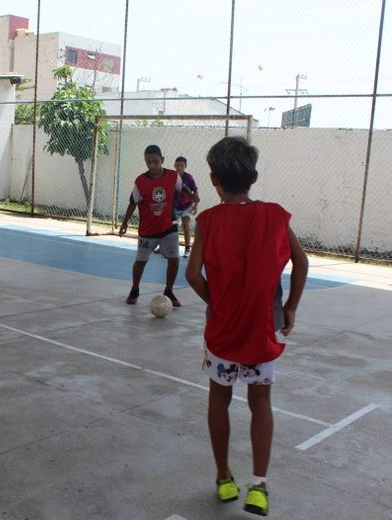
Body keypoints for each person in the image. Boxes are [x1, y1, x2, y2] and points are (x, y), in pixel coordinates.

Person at [185, 136, 308, 516]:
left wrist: (218, 304)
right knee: (261, 402)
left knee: (219, 399)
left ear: (212, 179)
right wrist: (289, 308)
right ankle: (259, 486)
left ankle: (223, 478)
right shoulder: (275, 215)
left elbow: (192, 275)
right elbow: (301, 263)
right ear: (254, 176)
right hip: (262, 331)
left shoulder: (207, 220)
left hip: (222, 334)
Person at [119, 144, 192, 308]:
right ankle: (135, 289)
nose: (152, 165)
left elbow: (184, 189)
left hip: (168, 226)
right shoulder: (141, 181)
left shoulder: (173, 176)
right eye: (148, 162)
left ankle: (169, 290)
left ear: (163, 160)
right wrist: (124, 223)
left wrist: (193, 196)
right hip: (148, 229)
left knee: (174, 259)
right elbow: (132, 203)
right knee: (140, 261)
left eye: (155, 162)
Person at [173, 156, 200, 258]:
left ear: (185, 166)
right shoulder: (172, 177)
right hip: (175, 207)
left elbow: (195, 190)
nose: (179, 167)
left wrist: (195, 205)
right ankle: (167, 247)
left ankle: (187, 248)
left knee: (186, 226)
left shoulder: (189, 178)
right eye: (177, 165)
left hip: (186, 206)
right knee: (171, 228)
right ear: (174, 166)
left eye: (181, 165)